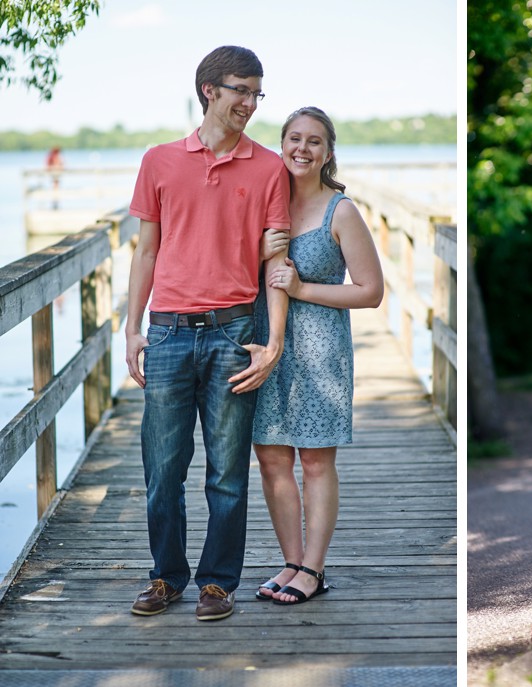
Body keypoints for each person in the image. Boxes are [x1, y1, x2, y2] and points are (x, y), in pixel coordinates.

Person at [125, 46, 291, 621]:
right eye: (241, 90)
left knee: (226, 473)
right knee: (162, 469)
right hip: (167, 333)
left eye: (256, 93)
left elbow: (276, 262)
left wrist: (273, 342)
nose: (250, 103)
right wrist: (131, 330)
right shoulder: (159, 161)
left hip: (233, 334)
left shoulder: (269, 168)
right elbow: (145, 250)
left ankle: (217, 583)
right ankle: (165, 577)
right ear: (209, 90)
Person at [252, 107, 383, 605]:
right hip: (265, 343)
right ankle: (289, 562)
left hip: (321, 350)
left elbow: (371, 292)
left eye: (314, 142)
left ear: (328, 153)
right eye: (294, 139)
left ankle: (313, 568)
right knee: (270, 458)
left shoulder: (341, 210)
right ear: (281, 143)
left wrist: (303, 288)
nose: (302, 149)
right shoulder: (267, 203)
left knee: (314, 462)